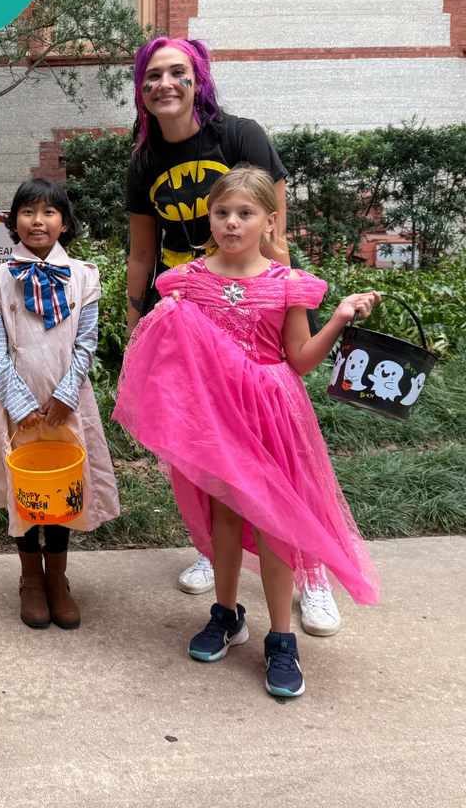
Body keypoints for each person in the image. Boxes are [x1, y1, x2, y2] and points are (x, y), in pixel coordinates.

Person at [113, 166, 380, 698]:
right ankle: (227, 615)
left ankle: (282, 638)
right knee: (225, 521)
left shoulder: (287, 286)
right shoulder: (186, 282)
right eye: (222, 212)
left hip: (272, 417)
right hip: (217, 422)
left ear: (270, 220)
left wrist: (340, 318)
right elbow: (168, 352)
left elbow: (300, 360)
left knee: (279, 525)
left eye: (245, 213)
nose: (232, 222)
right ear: (209, 217)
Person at [124, 35, 341, 636]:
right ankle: (217, 560)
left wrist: (280, 301)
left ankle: (311, 575)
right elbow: (142, 256)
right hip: (189, 317)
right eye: (151, 77)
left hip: (256, 318)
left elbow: (277, 236)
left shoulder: (239, 137)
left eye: (177, 74)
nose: (164, 85)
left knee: (286, 465)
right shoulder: (144, 161)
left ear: (199, 81)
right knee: (205, 457)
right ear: (141, 91)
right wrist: (135, 325)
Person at [0, 178, 120, 629]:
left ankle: (57, 581)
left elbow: (86, 342)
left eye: (49, 212)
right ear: (13, 220)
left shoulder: (85, 276)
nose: (37, 221)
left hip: (67, 406)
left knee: (60, 492)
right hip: (13, 409)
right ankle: (30, 580)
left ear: (64, 222)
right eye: (27, 212)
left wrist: (64, 396)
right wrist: (20, 403)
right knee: (27, 494)